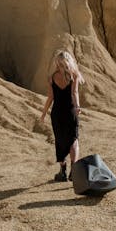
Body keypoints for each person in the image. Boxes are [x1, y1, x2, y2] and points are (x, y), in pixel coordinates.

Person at [39, 49, 84, 182]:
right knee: (73, 140)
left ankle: (62, 171)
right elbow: (74, 93)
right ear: (69, 61)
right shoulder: (74, 76)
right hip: (70, 112)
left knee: (60, 141)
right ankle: (74, 172)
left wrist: (43, 113)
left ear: (57, 63)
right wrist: (77, 107)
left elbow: (50, 97)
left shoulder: (52, 77)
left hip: (57, 114)